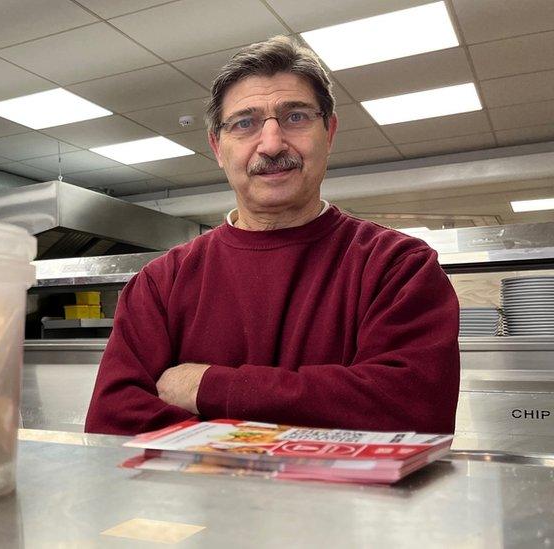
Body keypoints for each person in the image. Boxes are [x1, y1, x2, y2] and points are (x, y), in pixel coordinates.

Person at [84, 36, 460, 436]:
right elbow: (113, 422)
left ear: (329, 132)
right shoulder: (161, 283)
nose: (272, 143)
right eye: (244, 123)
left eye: (295, 117)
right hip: (194, 502)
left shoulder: (398, 267)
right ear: (217, 146)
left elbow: (413, 411)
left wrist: (210, 387)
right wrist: (322, 411)